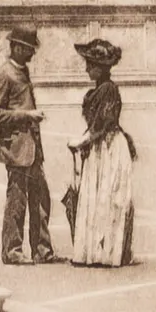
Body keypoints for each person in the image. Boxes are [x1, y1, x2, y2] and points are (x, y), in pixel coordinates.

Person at [64, 37, 137, 267]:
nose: (87, 69)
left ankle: (106, 253)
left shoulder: (108, 90)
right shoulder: (98, 90)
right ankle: (98, 252)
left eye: (91, 65)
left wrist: (81, 141)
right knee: (99, 197)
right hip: (100, 148)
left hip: (109, 147)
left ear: (101, 68)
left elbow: (102, 124)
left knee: (107, 197)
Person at [0, 27, 55, 265]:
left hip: (31, 147)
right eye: (28, 49)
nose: (32, 53)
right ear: (16, 47)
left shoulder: (21, 71)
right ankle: (12, 251)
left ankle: (42, 250)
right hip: (16, 149)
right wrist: (27, 115)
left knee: (41, 198)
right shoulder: (4, 74)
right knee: (17, 201)